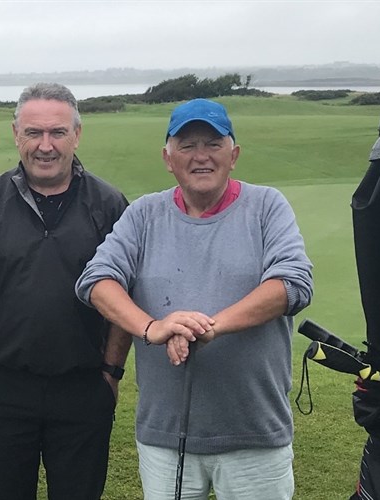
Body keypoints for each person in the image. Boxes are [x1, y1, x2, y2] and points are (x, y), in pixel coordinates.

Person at [75, 98, 313, 500]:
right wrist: (153, 328)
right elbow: (96, 280)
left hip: (254, 433)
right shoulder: (144, 214)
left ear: (233, 155)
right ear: (168, 159)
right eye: (187, 145)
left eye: (213, 144)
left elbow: (293, 284)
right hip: (165, 438)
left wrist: (208, 327)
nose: (201, 156)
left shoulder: (266, 206)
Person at [0, 82, 131, 499]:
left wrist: (111, 374)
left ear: (77, 135)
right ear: (15, 134)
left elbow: (125, 296)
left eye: (57, 132)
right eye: (33, 132)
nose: (45, 146)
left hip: (83, 389)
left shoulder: (109, 205)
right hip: (2, 388)